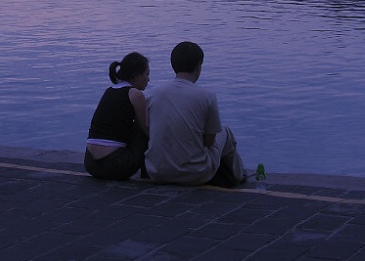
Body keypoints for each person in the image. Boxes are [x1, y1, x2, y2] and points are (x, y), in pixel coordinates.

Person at [145, 41, 246, 187]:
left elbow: (150, 130)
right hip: (195, 174)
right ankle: (238, 175)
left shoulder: (153, 94)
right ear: (198, 66)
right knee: (225, 132)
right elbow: (210, 142)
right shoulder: (207, 96)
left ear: (173, 65)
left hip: (156, 172)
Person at [84, 51, 150, 180]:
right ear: (136, 75)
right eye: (146, 74)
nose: (148, 79)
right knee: (142, 126)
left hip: (90, 164)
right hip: (116, 165)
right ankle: (147, 175)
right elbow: (147, 131)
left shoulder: (109, 91)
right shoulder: (135, 94)